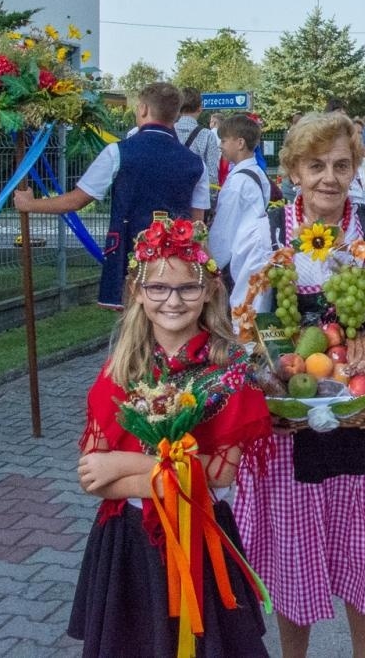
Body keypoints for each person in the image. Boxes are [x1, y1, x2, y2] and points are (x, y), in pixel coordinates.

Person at [230, 112, 365, 657]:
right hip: (291, 416)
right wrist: (265, 389)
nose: (329, 177)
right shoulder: (268, 235)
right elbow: (246, 327)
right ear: (294, 169)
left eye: (341, 165)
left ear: (355, 169)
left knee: (364, 544)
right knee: (294, 551)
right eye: (315, 165)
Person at [68, 218, 272, 658]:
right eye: (158, 288)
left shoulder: (231, 371)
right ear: (138, 293)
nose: (172, 301)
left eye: (187, 289)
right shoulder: (122, 368)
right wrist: (164, 473)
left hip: (201, 538)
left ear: (210, 291)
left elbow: (215, 477)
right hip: (129, 545)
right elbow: (91, 475)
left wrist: (124, 466)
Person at [15, 81, 208, 310]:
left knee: (133, 314)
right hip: (177, 254)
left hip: (130, 247)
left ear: (143, 109)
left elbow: (78, 199)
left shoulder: (118, 151)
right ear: (175, 114)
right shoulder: (196, 163)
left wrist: (30, 204)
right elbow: (198, 224)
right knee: (170, 312)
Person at [207, 114, 272, 292]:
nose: (221, 146)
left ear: (240, 143)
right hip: (253, 256)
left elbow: (224, 230)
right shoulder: (258, 173)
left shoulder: (238, 183)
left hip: (237, 261)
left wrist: (211, 264)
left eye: (225, 140)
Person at [176, 89, 223, 199]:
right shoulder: (207, 135)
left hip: (172, 197)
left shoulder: (169, 131)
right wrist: (211, 197)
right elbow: (212, 175)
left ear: (178, 108)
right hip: (198, 199)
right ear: (200, 108)